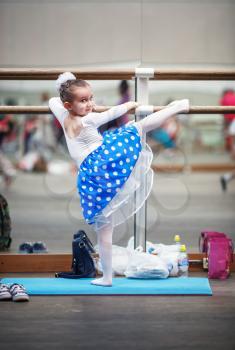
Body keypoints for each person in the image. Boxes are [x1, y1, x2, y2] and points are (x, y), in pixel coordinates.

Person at [49, 72, 189, 287]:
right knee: (138, 127)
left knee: (104, 227)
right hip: (103, 163)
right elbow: (113, 112)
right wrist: (130, 104)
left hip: (89, 176)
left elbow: (52, 101)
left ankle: (107, 277)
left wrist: (66, 85)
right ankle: (176, 108)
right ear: (69, 105)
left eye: (91, 98)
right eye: (83, 100)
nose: (90, 104)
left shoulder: (62, 114)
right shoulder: (90, 120)